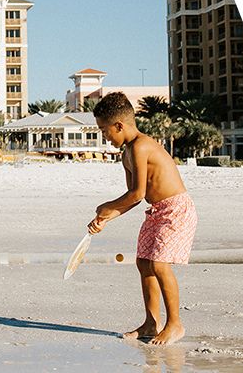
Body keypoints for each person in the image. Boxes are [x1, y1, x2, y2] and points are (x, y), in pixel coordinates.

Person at [87, 91, 195, 346]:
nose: (104, 136)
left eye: (104, 130)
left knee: (159, 265)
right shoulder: (126, 154)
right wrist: (105, 218)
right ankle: (150, 323)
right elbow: (133, 198)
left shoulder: (141, 146)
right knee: (144, 262)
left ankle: (175, 324)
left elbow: (138, 192)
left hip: (176, 210)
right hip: (156, 211)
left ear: (119, 125)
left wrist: (105, 205)